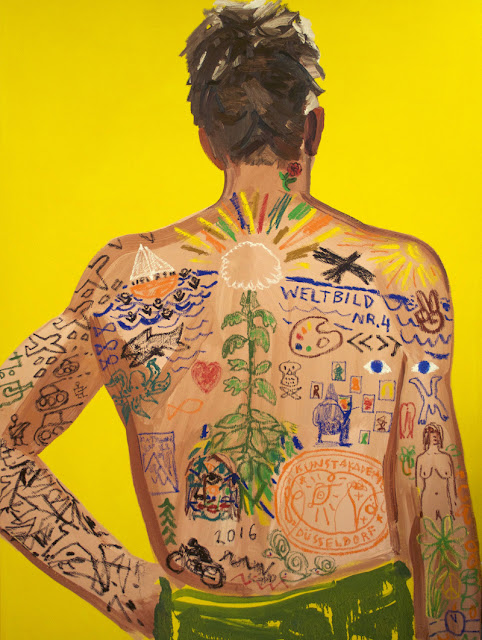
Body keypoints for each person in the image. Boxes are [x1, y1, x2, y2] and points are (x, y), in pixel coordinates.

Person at [0, 1, 480, 638]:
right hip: (363, 621)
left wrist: (130, 589)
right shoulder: (400, 275)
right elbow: (437, 504)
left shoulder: (125, 277)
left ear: (206, 140)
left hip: (198, 621)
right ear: (313, 127)